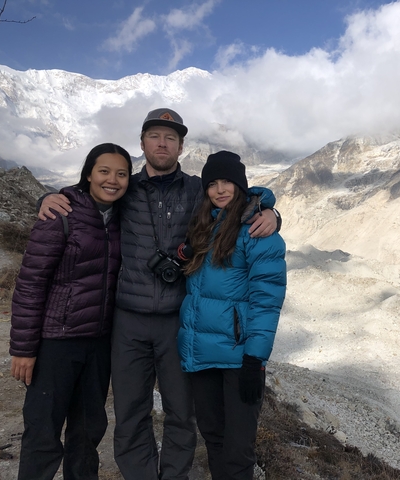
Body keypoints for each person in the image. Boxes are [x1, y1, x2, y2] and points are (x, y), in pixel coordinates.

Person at [38, 108, 280, 480]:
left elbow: (240, 198)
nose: (162, 143)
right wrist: (51, 197)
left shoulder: (198, 190)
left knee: (182, 413)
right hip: (128, 321)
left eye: (170, 137)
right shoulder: (125, 187)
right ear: (142, 143)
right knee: (130, 411)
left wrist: (273, 212)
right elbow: (89, 196)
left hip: (177, 320)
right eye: (155, 136)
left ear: (182, 146)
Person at [10, 143, 132, 480]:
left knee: (87, 431)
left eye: (122, 174)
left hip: (98, 343)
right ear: (89, 173)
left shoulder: (125, 217)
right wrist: (23, 349)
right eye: (104, 171)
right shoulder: (60, 213)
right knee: (43, 431)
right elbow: (31, 283)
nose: (113, 180)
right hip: (57, 342)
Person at [178, 151, 286, 480]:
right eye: (212, 183)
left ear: (240, 185)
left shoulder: (258, 231)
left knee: (239, 449)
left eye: (228, 182)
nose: (220, 189)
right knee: (213, 437)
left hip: (239, 358)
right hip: (201, 352)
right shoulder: (203, 225)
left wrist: (255, 358)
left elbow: (267, 300)